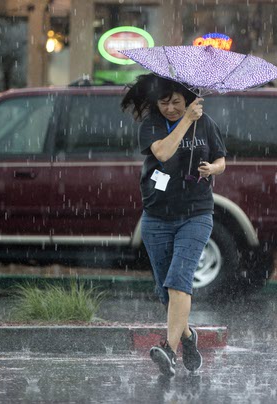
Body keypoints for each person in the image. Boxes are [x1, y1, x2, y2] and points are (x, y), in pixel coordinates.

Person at [121, 74, 226, 376]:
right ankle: (189, 338)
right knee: (165, 291)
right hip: (157, 216)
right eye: (164, 102)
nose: (169, 108)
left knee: (179, 279)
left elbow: (222, 160)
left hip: (196, 213)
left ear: (189, 99)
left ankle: (168, 351)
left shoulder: (206, 124)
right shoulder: (152, 124)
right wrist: (185, 120)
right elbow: (164, 153)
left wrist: (212, 168)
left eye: (176, 102)